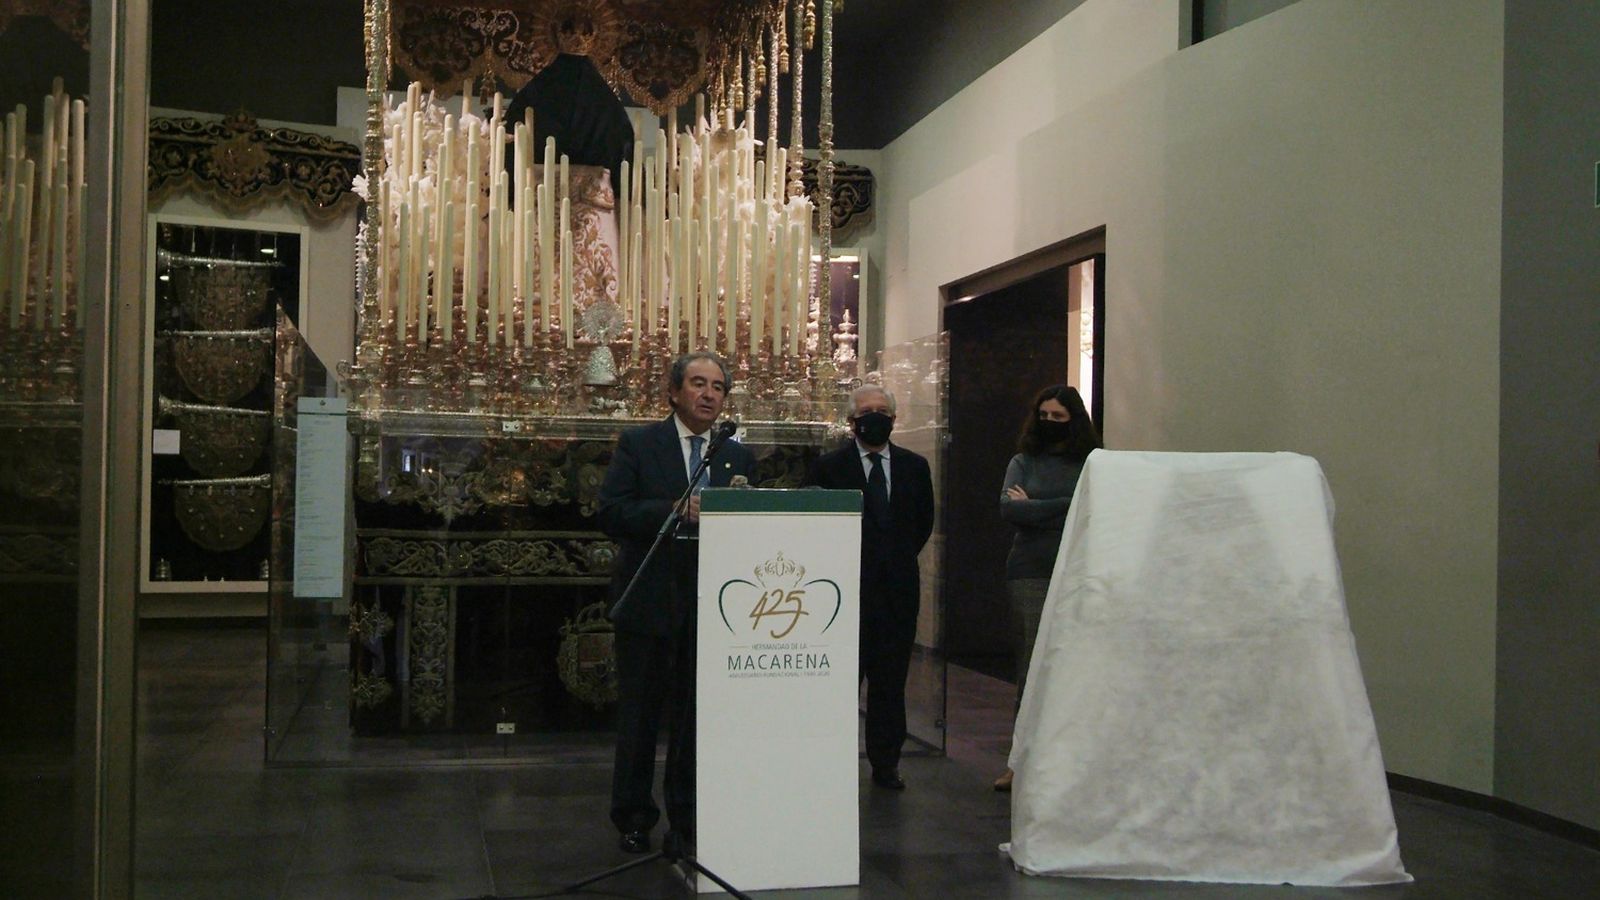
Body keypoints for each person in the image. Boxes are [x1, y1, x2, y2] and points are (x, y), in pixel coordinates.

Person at [598, 351, 758, 855]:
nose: (709, 394)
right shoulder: (641, 444)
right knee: (642, 715)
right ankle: (634, 816)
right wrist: (671, 509)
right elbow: (612, 511)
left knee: (696, 717)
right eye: (698, 384)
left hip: (712, 604)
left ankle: (688, 817)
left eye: (718, 387)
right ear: (673, 392)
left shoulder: (736, 454)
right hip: (650, 597)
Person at [803, 385, 935, 790]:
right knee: (841, 681)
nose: (874, 417)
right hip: (843, 592)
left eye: (882, 411)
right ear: (851, 421)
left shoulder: (915, 466)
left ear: (893, 420)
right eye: (866, 411)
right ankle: (831, 757)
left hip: (897, 592)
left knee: (889, 684)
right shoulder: (828, 467)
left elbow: (922, 523)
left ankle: (885, 763)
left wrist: (893, 560)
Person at [992, 384, 1102, 792]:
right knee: (1032, 669)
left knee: (1078, 665)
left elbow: (1096, 510)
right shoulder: (1023, 461)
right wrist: (1066, 504)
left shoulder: (1092, 462)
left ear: (1074, 420)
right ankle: (1020, 762)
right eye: (1045, 416)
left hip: (1080, 569)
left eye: (1059, 417)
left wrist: (1036, 506)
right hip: (1030, 572)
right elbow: (1008, 509)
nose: (1050, 423)